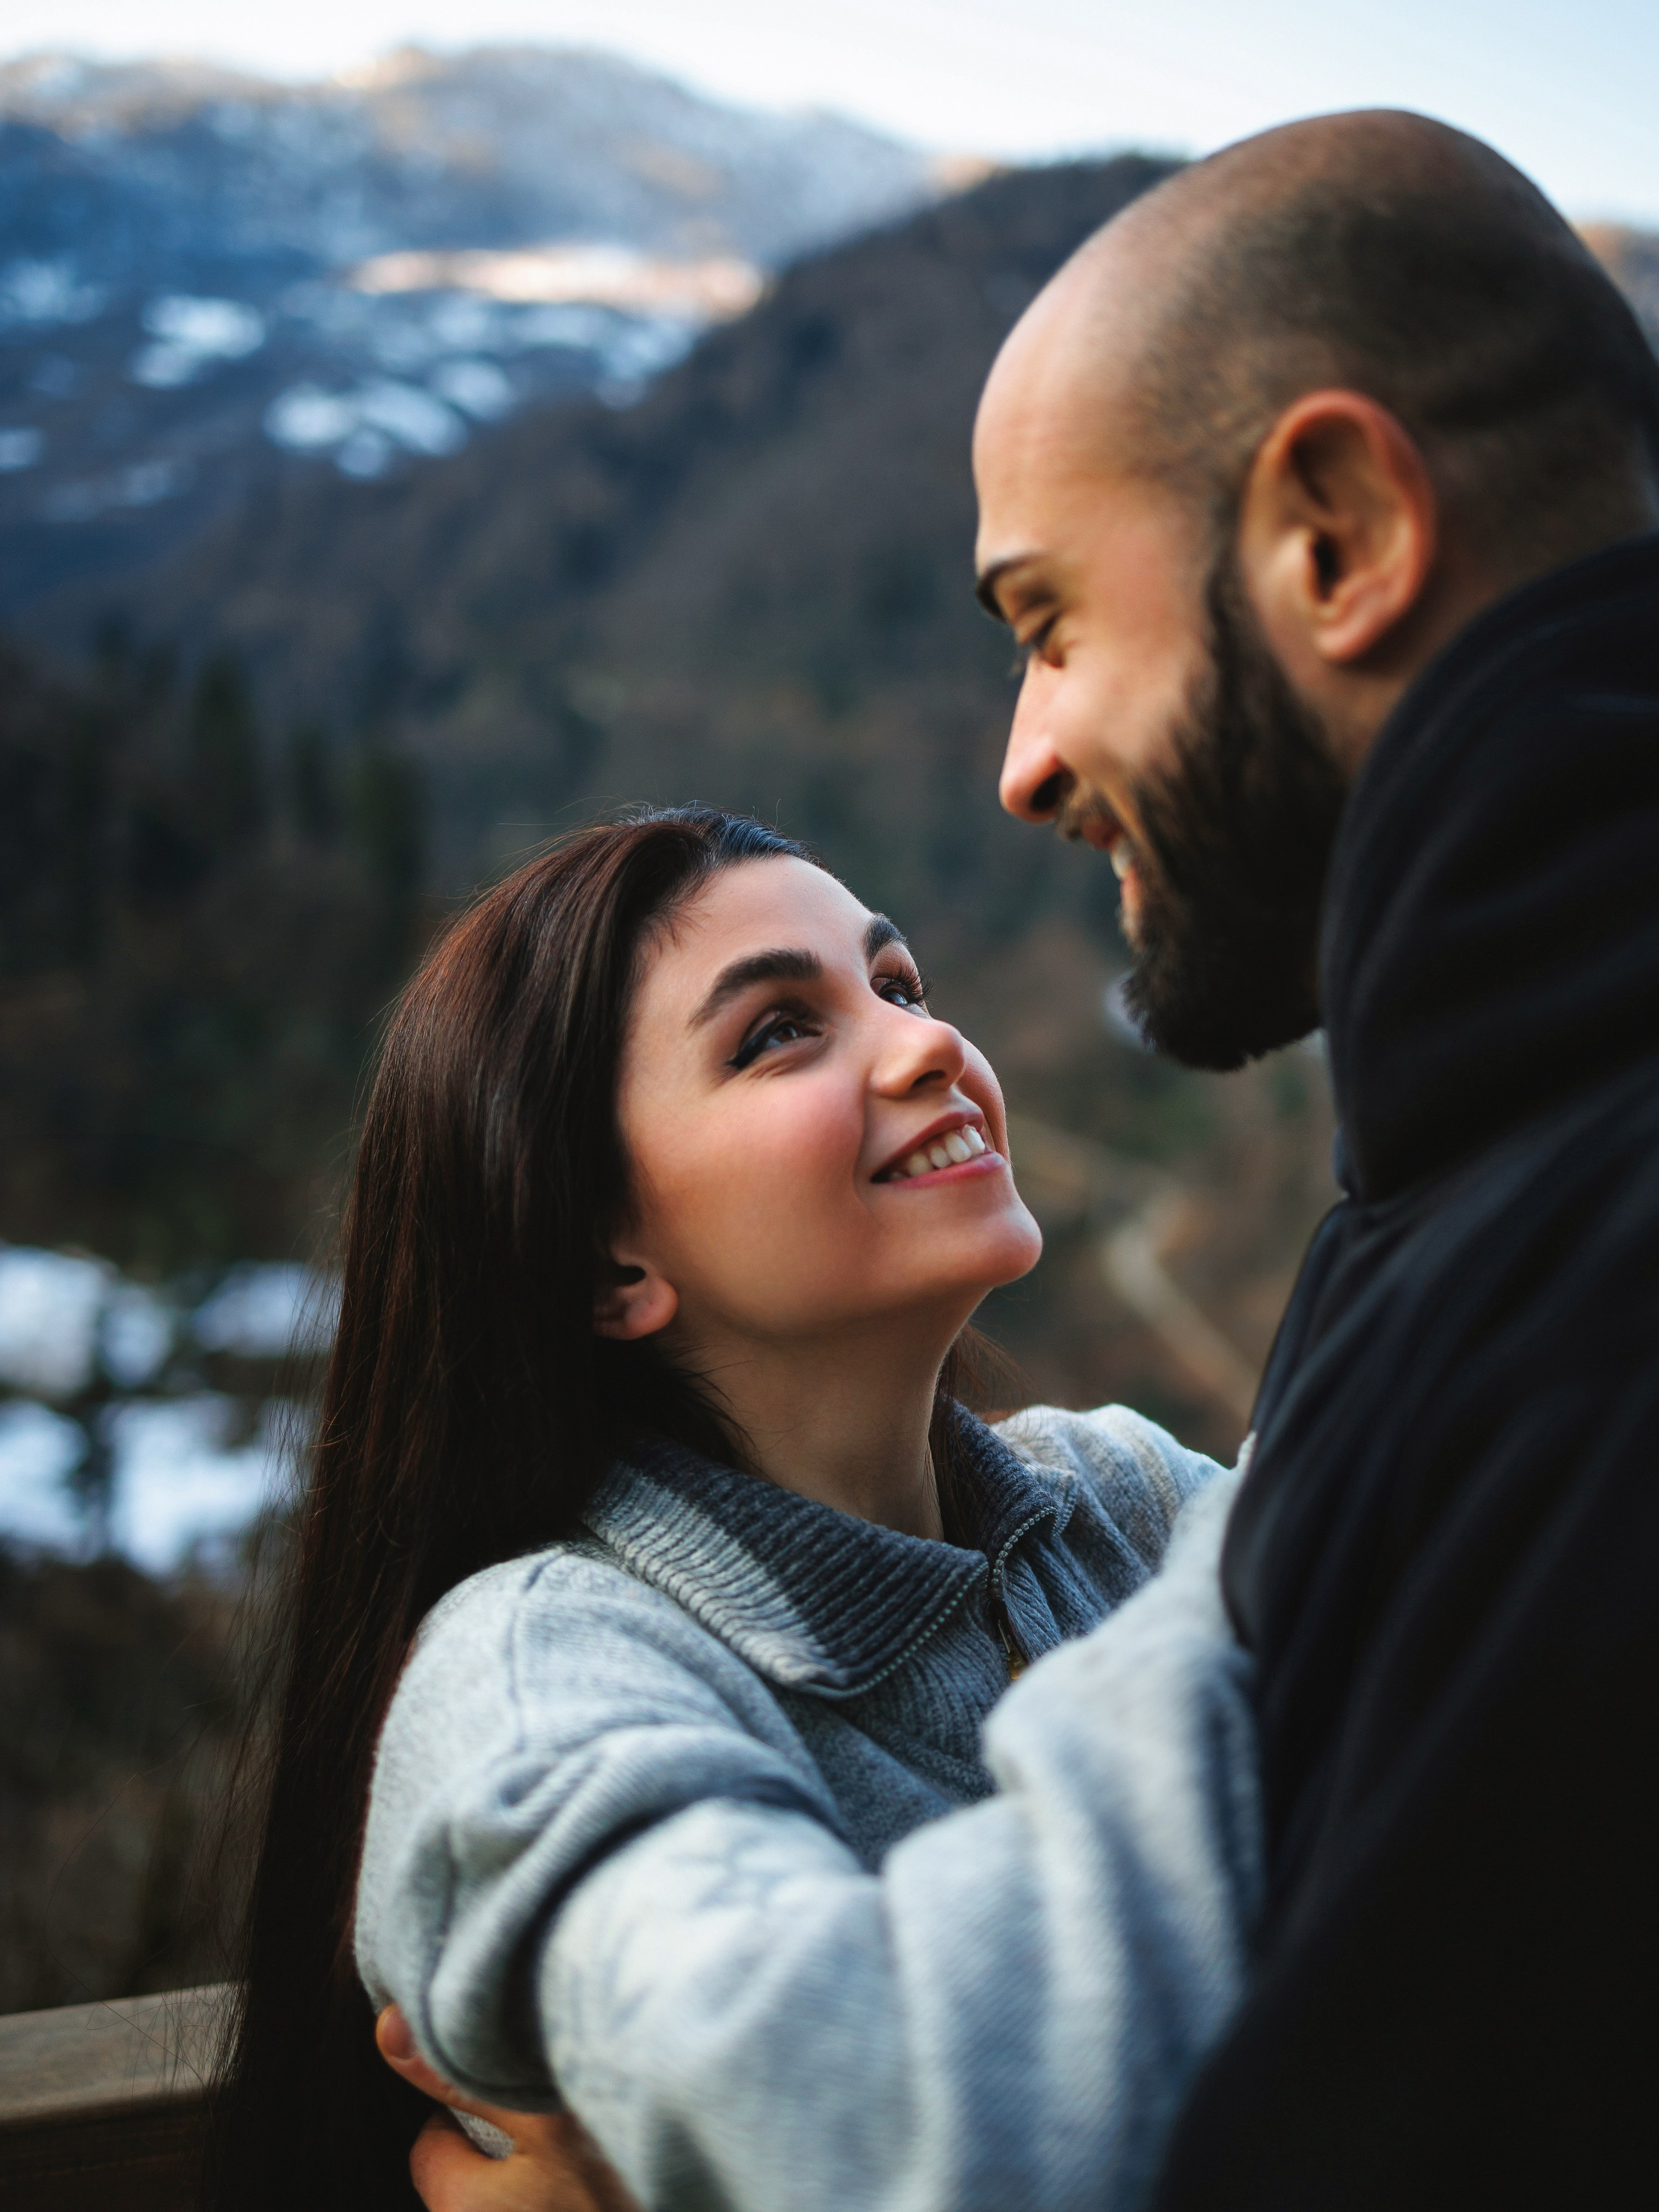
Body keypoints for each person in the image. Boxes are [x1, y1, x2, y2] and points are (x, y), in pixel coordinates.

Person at [403, 103, 1659, 2211]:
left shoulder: (1525, 1285)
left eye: (1051, 619)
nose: (1024, 759)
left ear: (1339, 534)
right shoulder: (1459, 1232)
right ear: (599, 1248)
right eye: (780, 1027)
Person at [211, 806, 1261, 2212]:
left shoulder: (1121, 1503)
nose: (929, 1044)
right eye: (777, 1032)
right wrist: (1278, 1600)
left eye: (898, 985)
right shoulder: (542, 1683)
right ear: (606, 1265)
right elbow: (872, 2131)